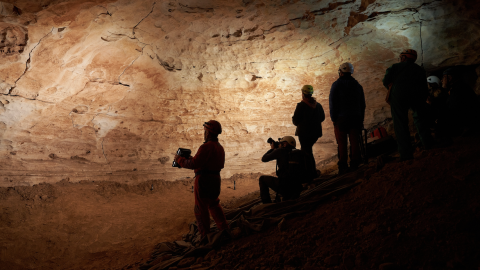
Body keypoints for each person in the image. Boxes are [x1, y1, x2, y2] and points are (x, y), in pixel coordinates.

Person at [174, 120, 228, 237]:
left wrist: (179, 160)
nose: (204, 133)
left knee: (201, 208)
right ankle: (224, 228)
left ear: (208, 133)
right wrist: (191, 160)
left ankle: (205, 235)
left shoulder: (206, 147)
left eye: (205, 131)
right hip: (215, 180)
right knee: (214, 204)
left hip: (204, 181)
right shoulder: (220, 147)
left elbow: (194, 164)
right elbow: (205, 162)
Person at [383, 49, 433, 161]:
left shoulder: (395, 67)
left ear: (404, 57)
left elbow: (386, 80)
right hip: (416, 94)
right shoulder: (419, 70)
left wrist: (393, 89)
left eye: (401, 57)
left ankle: (406, 154)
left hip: (399, 95)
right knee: (420, 118)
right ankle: (428, 143)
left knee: (400, 123)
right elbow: (424, 87)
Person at [329, 62, 366, 174]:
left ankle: (343, 165)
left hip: (341, 118)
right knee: (354, 141)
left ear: (341, 72)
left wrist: (333, 118)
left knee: (342, 142)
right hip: (355, 117)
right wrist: (361, 118)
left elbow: (333, 103)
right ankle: (355, 163)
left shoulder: (336, 85)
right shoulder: (357, 85)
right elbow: (362, 104)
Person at [259, 136, 304, 204]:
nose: (279, 145)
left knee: (262, 179)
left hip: (285, 187)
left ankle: (266, 204)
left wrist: (273, 149)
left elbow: (264, 159)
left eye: (281, 143)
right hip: (297, 188)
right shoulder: (298, 153)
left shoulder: (280, 151)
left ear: (285, 144)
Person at [292, 85, 325, 174]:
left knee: (306, 153)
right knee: (308, 151)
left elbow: (295, 121)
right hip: (315, 133)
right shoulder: (318, 105)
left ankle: (310, 173)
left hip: (304, 134)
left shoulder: (301, 105)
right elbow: (322, 118)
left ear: (303, 94)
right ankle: (310, 171)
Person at [442, 67, 480, 136]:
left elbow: (452, 109)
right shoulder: (459, 87)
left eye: (444, 77)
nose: (442, 80)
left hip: (467, 125)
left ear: (450, 78)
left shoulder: (459, 90)